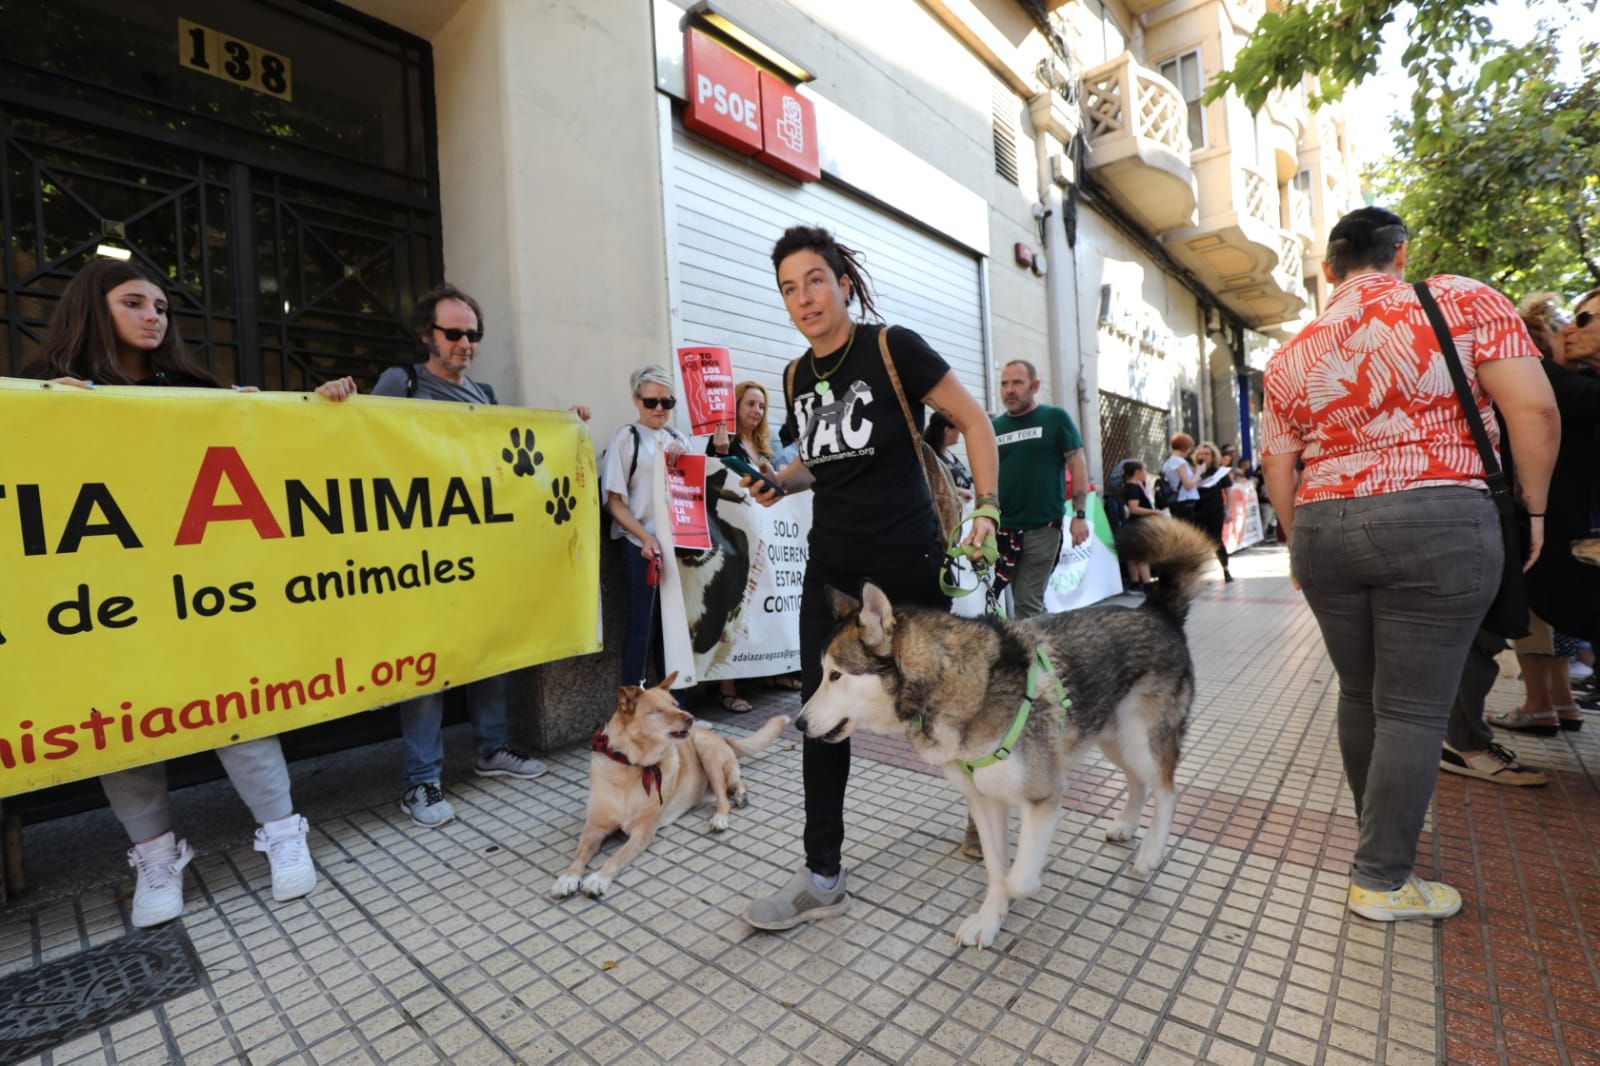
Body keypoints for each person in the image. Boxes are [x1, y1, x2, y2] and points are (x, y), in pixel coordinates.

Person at [27, 258, 359, 926]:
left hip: (201, 593)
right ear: (95, 307)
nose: (155, 315)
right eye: (134, 303)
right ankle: (155, 857)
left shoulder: (192, 389)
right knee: (119, 726)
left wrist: (315, 413)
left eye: (162, 306)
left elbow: (273, 461)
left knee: (237, 708)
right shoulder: (42, 391)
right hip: (104, 598)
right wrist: (40, 414)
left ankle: (282, 830)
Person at [1262, 206, 1558, 923]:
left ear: (1329, 271)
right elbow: (1536, 410)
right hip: (1437, 515)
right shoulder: (1460, 299)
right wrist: (1536, 509)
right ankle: (1384, 878)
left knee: (1361, 694)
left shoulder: (1291, 352)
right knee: (1415, 707)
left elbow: (1279, 464)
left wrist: (1299, 540)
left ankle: (1382, 845)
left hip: (1325, 522)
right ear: (1400, 253)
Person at [737, 224, 999, 931]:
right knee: (820, 713)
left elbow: (973, 420)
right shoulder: (795, 376)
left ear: (843, 283)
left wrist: (988, 508)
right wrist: (780, 481)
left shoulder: (892, 348)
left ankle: (991, 810)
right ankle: (822, 873)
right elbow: (822, 460)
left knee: (947, 701)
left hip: (906, 558)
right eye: (789, 288)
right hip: (832, 569)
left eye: (814, 280)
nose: (803, 298)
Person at [372, 283, 557, 828]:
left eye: (473, 334)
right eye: (454, 333)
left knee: (489, 655)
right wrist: (337, 397)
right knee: (427, 669)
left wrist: (561, 428)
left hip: (478, 553)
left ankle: (491, 750)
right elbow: (356, 444)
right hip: (420, 555)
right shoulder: (400, 382)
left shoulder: (486, 395)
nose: (466, 343)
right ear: (427, 335)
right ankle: (420, 781)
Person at [603, 364, 689, 690]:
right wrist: (644, 537)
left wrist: (685, 464)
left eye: (667, 403)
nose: (658, 409)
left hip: (676, 544)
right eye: (651, 401)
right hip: (640, 544)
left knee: (674, 631)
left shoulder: (679, 440)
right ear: (636, 400)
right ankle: (632, 704)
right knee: (643, 626)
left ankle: (674, 702)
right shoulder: (627, 437)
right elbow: (614, 500)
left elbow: (691, 498)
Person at [706, 380, 786, 709]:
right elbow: (713, 482)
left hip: (768, 540)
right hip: (737, 539)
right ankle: (728, 689)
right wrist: (721, 452)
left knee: (769, 605)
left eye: (762, 405)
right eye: (750, 403)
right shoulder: (724, 443)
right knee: (735, 608)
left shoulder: (766, 449)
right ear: (735, 406)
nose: (757, 410)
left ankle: (774, 670)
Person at [991, 359, 1090, 619]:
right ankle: (1052, 650)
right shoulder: (994, 427)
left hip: (1042, 528)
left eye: (1017, 383)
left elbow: (1078, 463)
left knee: (1026, 602)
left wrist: (1080, 516)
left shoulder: (1055, 418)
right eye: (1004, 384)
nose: (1009, 390)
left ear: (1034, 386)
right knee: (1022, 600)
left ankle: (1035, 658)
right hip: (1004, 530)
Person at [1189, 441, 1234, 582]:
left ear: (1213, 456)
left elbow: (1229, 492)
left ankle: (1225, 569)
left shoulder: (1219, 472)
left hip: (1214, 510)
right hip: (1197, 510)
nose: (1204, 456)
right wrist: (1198, 472)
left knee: (1216, 539)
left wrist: (1229, 510)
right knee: (1198, 541)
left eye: (1207, 453)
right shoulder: (1193, 471)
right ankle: (1201, 573)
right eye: (1201, 453)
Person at [1120, 460, 1158, 590]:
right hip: (1138, 523)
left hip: (1134, 524)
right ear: (1137, 472)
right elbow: (1134, 508)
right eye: (1145, 470)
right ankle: (1147, 584)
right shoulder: (1133, 488)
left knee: (1133, 556)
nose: (1146, 473)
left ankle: (1135, 582)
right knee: (1142, 555)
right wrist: (1154, 512)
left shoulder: (1134, 486)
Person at [923, 410, 975, 504]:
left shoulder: (949, 454)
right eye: (957, 428)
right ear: (947, 430)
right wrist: (959, 491)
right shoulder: (930, 457)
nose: (960, 432)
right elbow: (930, 485)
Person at [1161, 434, 1199, 520]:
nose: (1190, 451)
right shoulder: (1180, 462)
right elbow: (1188, 485)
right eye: (1189, 448)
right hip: (1185, 500)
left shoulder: (1169, 461)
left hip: (1175, 500)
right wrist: (1198, 472)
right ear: (1185, 448)